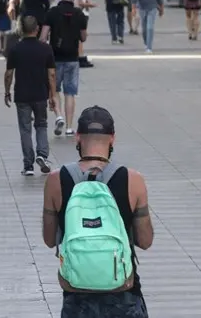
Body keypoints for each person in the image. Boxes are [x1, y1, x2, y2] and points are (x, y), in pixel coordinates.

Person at [42, 106, 153, 318]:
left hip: (77, 296)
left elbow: (49, 239)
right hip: (123, 294)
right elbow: (145, 241)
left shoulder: (56, 180)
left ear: (78, 137)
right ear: (112, 138)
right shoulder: (134, 180)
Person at [5, 15, 56, 175]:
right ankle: (42, 155)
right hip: (40, 94)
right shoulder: (46, 48)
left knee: (25, 129)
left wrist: (7, 91)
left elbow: (9, 73)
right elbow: (52, 74)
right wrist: (52, 95)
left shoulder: (15, 48)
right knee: (41, 125)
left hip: (22, 95)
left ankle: (28, 166)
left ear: (22, 29)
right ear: (37, 29)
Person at [40, 0, 88, 137]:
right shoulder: (79, 13)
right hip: (72, 59)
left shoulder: (52, 12)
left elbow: (43, 37)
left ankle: (58, 115)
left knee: (54, 90)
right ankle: (68, 127)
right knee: (70, 93)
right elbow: (83, 37)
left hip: (55, 58)